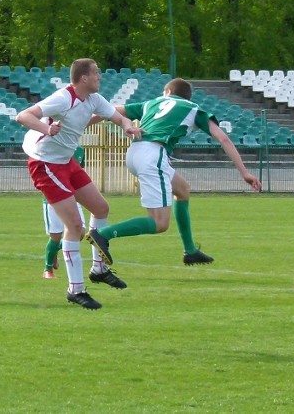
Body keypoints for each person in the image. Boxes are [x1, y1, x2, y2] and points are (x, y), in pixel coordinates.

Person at [85, 77, 262, 267]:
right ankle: (102, 234)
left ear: (168, 92)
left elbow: (110, 112)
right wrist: (244, 172)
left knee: (182, 189)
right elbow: (223, 139)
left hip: (136, 152)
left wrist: (82, 124)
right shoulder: (194, 109)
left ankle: (191, 251)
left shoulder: (153, 103)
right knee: (160, 223)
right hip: (153, 155)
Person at [16, 58, 141, 310]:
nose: (100, 77)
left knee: (101, 208)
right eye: (96, 73)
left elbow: (118, 117)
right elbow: (23, 116)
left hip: (66, 161)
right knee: (75, 225)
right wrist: (46, 128)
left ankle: (99, 270)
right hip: (46, 164)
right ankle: (75, 289)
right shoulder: (63, 98)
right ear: (83, 78)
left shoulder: (94, 99)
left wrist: (128, 126)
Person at [41, 146, 86, 279]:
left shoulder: (80, 151)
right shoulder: (54, 149)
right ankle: (47, 269)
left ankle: (55, 249)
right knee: (55, 236)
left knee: (81, 232)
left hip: (73, 197)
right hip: (53, 198)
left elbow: (79, 172)